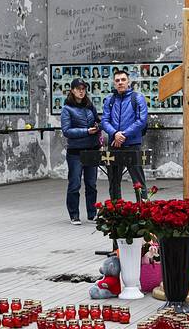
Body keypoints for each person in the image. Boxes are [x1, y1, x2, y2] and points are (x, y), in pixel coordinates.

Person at [101, 68, 147, 201]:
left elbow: (141, 121)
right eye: (117, 80)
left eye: (123, 80)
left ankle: (142, 210)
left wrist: (123, 135)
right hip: (114, 145)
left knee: (138, 181)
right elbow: (104, 121)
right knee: (114, 181)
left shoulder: (137, 97)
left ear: (128, 82)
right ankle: (116, 210)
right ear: (114, 83)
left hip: (132, 144)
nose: (120, 82)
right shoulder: (109, 99)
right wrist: (115, 133)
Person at [61, 79, 100, 225]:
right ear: (72, 90)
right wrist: (86, 131)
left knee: (91, 184)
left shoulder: (90, 106)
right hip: (75, 152)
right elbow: (66, 131)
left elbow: (97, 120)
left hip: (92, 150)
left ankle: (92, 213)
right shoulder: (67, 109)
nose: (81, 91)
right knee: (75, 183)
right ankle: (74, 215)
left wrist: (98, 125)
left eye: (83, 88)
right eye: (78, 88)